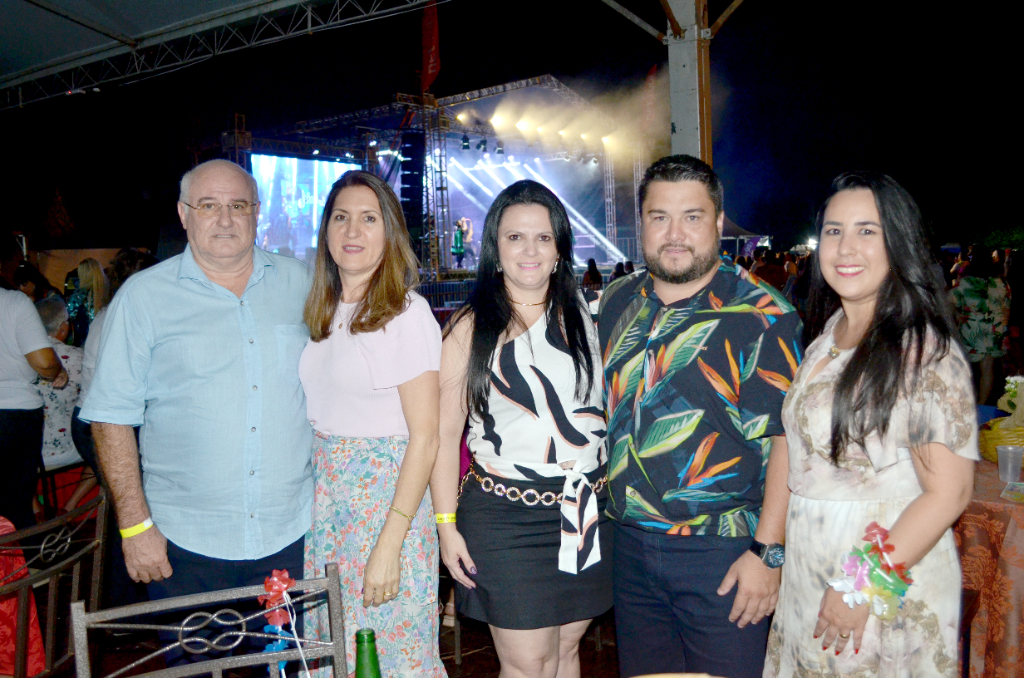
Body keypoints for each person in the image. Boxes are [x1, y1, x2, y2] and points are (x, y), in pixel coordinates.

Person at [764, 172, 977, 676]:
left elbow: (948, 493)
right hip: (810, 566)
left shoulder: (923, 351)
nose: (845, 247)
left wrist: (861, 586)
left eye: (867, 230)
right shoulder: (829, 334)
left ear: (899, 243)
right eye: (834, 231)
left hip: (879, 583)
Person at [80, 160, 314, 616]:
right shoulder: (143, 298)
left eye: (237, 205)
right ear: (184, 214)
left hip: (294, 533)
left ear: (257, 212)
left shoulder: (303, 283)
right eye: (209, 206)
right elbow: (110, 416)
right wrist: (134, 527)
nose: (225, 219)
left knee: (296, 666)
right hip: (185, 543)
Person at [598, 155, 801, 678]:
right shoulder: (618, 300)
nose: (674, 233)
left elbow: (786, 439)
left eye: (691, 216)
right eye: (658, 216)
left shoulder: (761, 315)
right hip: (629, 546)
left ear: (717, 221)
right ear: (640, 221)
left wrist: (768, 553)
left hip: (724, 551)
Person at [431, 179, 610, 678]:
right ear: (495, 248)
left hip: (584, 510)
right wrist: (446, 528)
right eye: (514, 238)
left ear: (559, 250)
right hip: (506, 520)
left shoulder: (589, 315)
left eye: (543, 237)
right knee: (528, 663)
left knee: (567, 651)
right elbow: (444, 438)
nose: (529, 250)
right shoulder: (469, 327)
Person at [300, 170, 446, 677]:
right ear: (326, 232)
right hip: (331, 515)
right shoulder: (327, 310)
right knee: (335, 654)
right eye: (341, 217)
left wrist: (391, 543)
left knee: (388, 659)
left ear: (390, 233)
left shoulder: (405, 314)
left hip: (384, 513)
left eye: (369, 218)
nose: (352, 230)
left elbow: (426, 438)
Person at [1, 287, 67, 530]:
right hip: (13, 413)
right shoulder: (13, 302)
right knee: (16, 503)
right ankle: (23, 565)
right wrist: (58, 371)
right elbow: (44, 362)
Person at [33, 297, 94, 512]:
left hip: (32, 455)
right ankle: (71, 505)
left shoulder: (20, 359)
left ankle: (35, 509)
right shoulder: (81, 358)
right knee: (107, 448)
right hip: (71, 451)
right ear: (63, 327)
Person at [951, 253, 1010, 405]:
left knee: (966, 368)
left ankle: (965, 402)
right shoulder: (1002, 283)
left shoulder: (965, 284)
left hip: (971, 331)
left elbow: (948, 302)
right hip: (993, 331)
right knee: (987, 369)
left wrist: (958, 316)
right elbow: (1006, 308)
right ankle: (981, 405)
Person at [66, 258, 109, 347]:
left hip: (85, 344)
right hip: (107, 341)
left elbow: (68, 318)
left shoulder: (78, 297)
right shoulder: (110, 293)